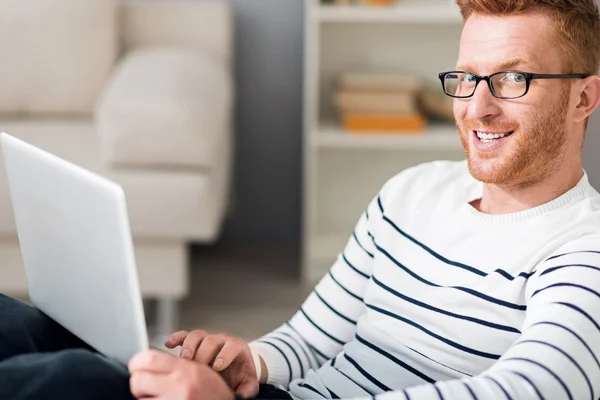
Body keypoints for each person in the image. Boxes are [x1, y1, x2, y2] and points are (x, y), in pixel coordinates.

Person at [2, 0, 600, 398]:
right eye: (467, 78)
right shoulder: (411, 192)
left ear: (583, 99)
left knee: (68, 379)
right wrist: (248, 366)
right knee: (17, 321)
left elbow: (538, 386)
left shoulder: (583, 248)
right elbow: (311, 339)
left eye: (513, 79)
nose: (476, 107)